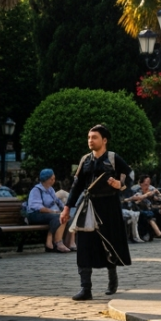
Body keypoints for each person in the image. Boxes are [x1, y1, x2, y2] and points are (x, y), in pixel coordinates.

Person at [61, 124, 133, 301]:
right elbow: (76, 186)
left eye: (94, 137)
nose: (90, 141)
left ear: (104, 140)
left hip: (109, 206)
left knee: (109, 243)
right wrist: (67, 207)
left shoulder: (113, 158)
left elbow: (129, 174)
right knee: (84, 245)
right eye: (89, 137)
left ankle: (112, 279)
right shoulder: (85, 160)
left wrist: (120, 185)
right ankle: (86, 288)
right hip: (88, 206)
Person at [26, 169, 70, 253]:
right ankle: (55, 241)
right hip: (35, 215)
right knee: (58, 217)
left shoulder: (50, 190)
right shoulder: (36, 190)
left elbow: (57, 201)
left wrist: (64, 209)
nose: (54, 180)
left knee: (64, 216)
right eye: (52, 178)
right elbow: (36, 206)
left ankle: (58, 242)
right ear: (48, 179)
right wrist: (52, 211)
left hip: (49, 215)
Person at [128, 175, 161, 240]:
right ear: (141, 183)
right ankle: (146, 234)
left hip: (150, 207)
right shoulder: (135, 189)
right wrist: (147, 195)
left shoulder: (151, 188)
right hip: (138, 208)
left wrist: (158, 194)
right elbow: (136, 200)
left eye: (149, 182)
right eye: (146, 182)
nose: (148, 184)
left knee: (160, 212)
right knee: (146, 214)